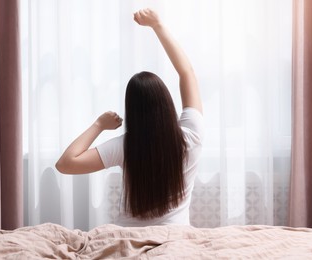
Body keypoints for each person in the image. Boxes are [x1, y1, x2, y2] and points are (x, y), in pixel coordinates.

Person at [56, 8, 203, 226]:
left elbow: (65, 164)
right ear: (167, 103)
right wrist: (157, 25)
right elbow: (187, 72)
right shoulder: (191, 137)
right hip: (176, 239)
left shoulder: (125, 147)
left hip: (128, 240)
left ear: (132, 111)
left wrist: (99, 125)